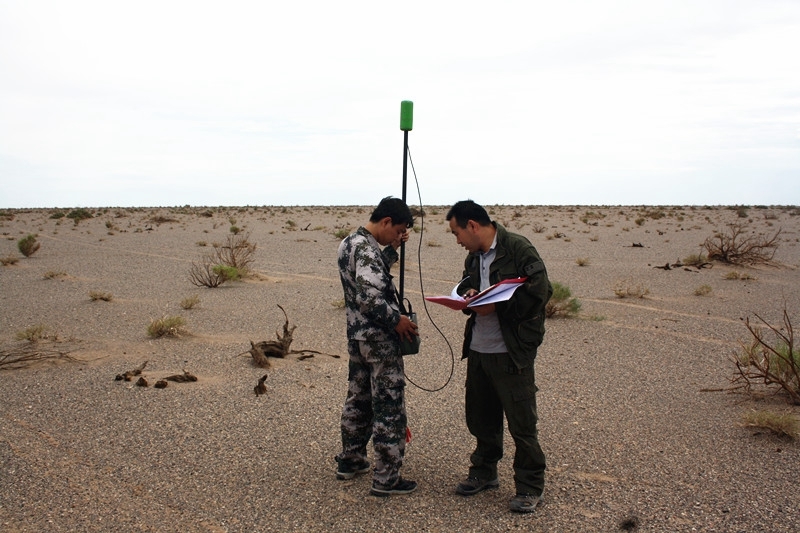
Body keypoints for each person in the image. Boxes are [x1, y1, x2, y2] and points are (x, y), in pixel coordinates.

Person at [446, 200, 552, 513]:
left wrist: (498, 305)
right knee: (481, 417)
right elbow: (468, 285)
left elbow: (540, 292)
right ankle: (483, 471)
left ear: (472, 226)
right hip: (479, 348)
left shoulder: (518, 249)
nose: (457, 240)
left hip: (512, 351)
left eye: (456, 233)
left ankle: (530, 486)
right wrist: (467, 297)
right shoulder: (473, 257)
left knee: (522, 424)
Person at [335, 196, 420, 497]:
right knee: (388, 406)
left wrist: (392, 250)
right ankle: (387, 478)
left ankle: (351, 459)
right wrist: (397, 321)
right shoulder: (366, 249)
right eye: (398, 230)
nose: (399, 235)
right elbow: (369, 297)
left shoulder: (350, 243)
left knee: (358, 399)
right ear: (386, 222)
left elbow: (369, 275)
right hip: (380, 342)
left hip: (358, 339)